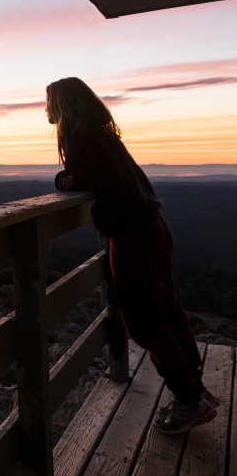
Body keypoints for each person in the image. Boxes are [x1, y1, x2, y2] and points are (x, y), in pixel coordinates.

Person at [45, 77, 218, 435]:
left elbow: (81, 178)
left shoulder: (79, 139)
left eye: (48, 103)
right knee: (166, 307)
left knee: (143, 320)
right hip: (153, 226)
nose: (45, 109)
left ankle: (189, 399)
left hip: (131, 237)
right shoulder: (105, 136)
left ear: (62, 105)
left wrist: (62, 181)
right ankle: (195, 385)